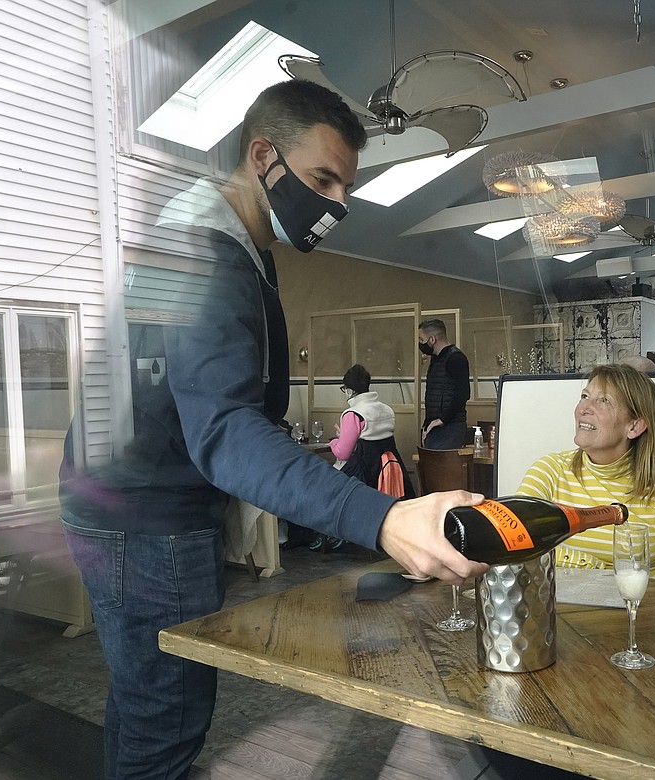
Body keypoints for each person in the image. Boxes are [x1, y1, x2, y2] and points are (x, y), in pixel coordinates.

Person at [59, 79, 487, 779]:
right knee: (166, 717)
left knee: (143, 702)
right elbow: (223, 427)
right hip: (147, 520)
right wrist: (383, 517)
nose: (338, 204)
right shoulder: (209, 257)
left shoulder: (215, 244)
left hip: (122, 504)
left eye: (346, 187)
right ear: (263, 156)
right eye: (323, 179)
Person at [516, 363, 655, 577]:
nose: (584, 409)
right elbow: (517, 543)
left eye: (604, 401)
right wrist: (599, 569)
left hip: (638, 609)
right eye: (585, 396)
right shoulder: (549, 471)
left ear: (634, 426)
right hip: (555, 609)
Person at [314, 364, 416, 551]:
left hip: (363, 473)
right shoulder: (386, 410)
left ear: (350, 390)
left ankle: (331, 534)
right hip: (388, 469)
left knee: (322, 482)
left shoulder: (354, 414)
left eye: (344, 389)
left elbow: (343, 453)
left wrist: (334, 441)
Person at [418, 318, 471, 449]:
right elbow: (433, 394)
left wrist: (442, 420)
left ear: (432, 339)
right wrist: (426, 426)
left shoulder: (455, 358)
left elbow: (462, 394)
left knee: (444, 467)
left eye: (421, 339)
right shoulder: (436, 359)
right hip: (435, 425)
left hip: (450, 426)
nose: (419, 343)